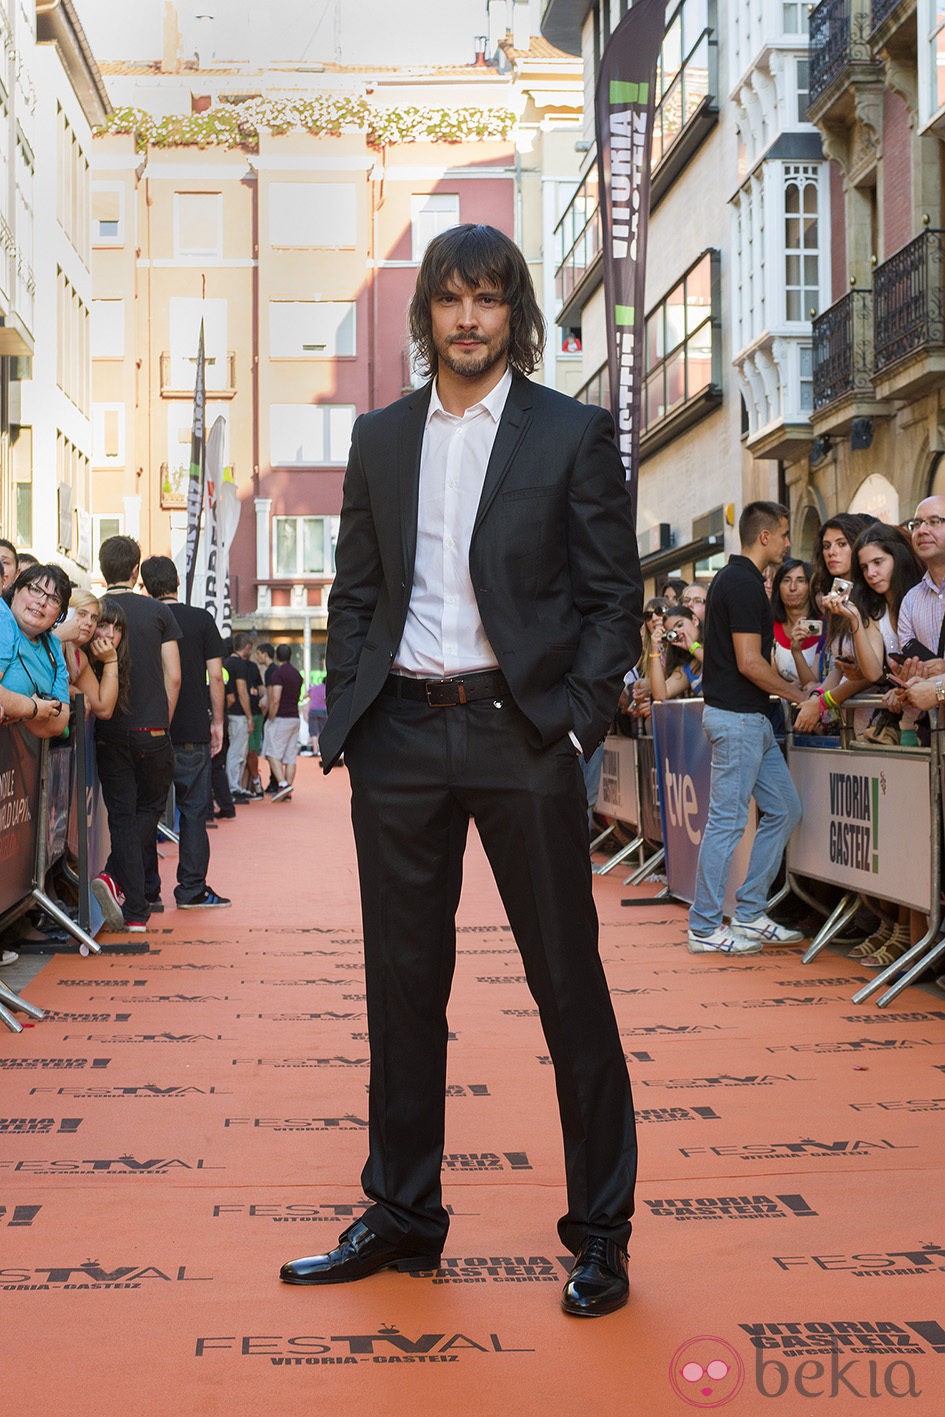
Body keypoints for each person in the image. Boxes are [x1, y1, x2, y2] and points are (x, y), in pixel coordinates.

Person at [280, 223, 642, 1319]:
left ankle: (601, 1234)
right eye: (451, 300)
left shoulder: (572, 432)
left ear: (514, 313)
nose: (470, 319)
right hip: (399, 736)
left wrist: (574, 726)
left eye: (489, 300)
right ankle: (402, 1211)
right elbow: (355, 588)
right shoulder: (381, 439)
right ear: (426, 313)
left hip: (519, 733)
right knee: (401, 986)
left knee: (565, 983)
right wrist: (353, 709)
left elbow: (610, 599)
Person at [687, 502, 808, 955]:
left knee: (785, 808)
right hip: (738, 719)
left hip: (750, 719)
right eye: (783, 534)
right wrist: (800, 696)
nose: (787, 543)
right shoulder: (740, 582)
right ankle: (703, 926)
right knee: (727, 822)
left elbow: (756, 660)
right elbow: (748, 662)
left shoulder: (742, 582)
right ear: (765, 537)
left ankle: (751, 912)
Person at [90, 535, 181, 934]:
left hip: (110, 728)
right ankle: (132, 902)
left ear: (103, 568)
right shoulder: (158, 612)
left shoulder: (94, 614)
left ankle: (131, 900)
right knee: (148, 811)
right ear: (135, 570)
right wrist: (163, 720)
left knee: (122, 815)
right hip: (153, 729)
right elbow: (174, 676)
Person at [139, 555, 230, 909]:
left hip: (151, 728)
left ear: (145, 585)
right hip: (193, 728)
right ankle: (191, 890)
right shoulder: (202, 619)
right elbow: (216, 677)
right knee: (194, 813)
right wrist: (218, 721)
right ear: (178, 581)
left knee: (147, 811)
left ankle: (146, 890)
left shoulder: (143, 618)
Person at [0, 563, 72, 738]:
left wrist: (16, 709)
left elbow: (60, 722)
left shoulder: (53, 646)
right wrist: (34, 708)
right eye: (35, 590)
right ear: (16, 589)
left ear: (59, 614)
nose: (42, 602)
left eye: (54, 600)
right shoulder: (3, 618)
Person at [770, 559, 820, 688]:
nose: (792, 587)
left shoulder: (826, 626)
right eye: (786, 580)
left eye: (800, 581)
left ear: (811, 586)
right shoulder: (770, 627)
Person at [263, 643, 303, 800]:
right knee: (290, 756)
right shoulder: (297, 674)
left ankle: (283, 784)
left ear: (276, 656)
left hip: (281, 718)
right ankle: (287, 791)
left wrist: (271, 717)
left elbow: (275, 699)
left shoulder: (278, 674)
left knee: (272, 754)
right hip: (294, 717)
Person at [223, 632, 255, 802]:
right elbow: (242, 692)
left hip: (229, 713)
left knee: (235, 751)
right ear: (247, 647)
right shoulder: (240, 666)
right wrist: (249, 716)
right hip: (238, 715)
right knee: (237, 752)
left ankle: (234, 786)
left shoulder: (226, 663)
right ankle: (233, 787)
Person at [648, 604, 703, 701]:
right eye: (672, 632)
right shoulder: (687, 668)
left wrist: (693, 647)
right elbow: (660, 694)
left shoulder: (716, 643)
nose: (677, 631)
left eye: (680, 625)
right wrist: (655, 651)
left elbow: (717, 665)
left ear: (695, 620)